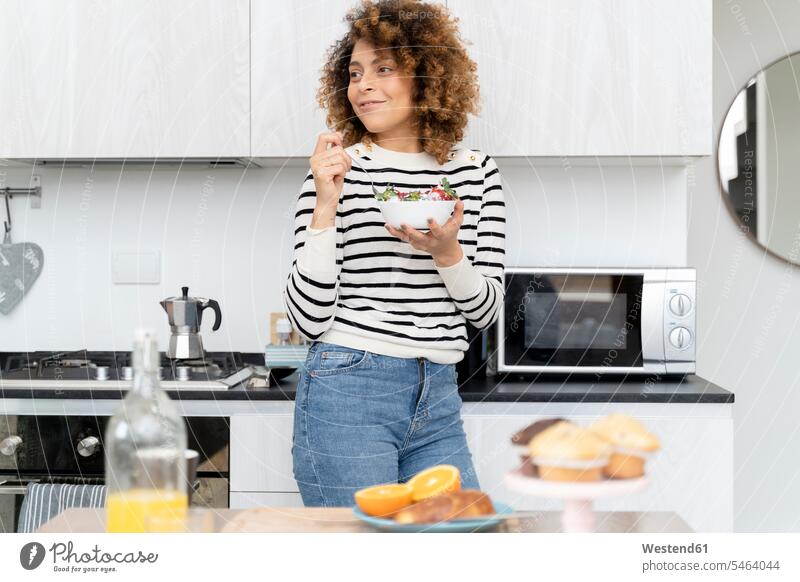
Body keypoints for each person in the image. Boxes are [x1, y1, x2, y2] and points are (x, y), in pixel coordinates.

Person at [282, 0, 506, 507]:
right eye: (355, 72)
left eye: (384, 69)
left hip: (439, 391)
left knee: (458, 549)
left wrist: (448, 253)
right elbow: (309, 318)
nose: (362, 84)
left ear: (427, 78)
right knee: (362, 559)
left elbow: (486, 311)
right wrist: (326, 201)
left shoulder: (475, 172)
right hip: (347, 386)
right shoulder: (338, 170)